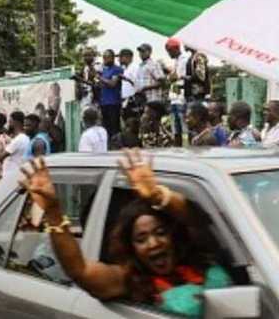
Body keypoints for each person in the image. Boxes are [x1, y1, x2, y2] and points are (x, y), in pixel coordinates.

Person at [19, 151, 232, 317]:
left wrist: (158, 196)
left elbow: (199, 219)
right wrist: (54, 211)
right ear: (132, 248)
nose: (153, 243)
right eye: (141, 239)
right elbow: (80, 270)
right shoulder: (129, 280)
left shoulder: (201, 258)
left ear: (173, 235)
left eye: (160, 232)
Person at [164, 38, 190, 145]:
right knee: (175, 127)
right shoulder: (176, 61)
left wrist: (172, 76)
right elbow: (171, 77)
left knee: (184, 126)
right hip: (174, 96)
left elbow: (177, 78)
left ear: (175, 49)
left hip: (181, 96)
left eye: (169, 51)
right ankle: (177, 147)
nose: (169, 54)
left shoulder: (184, 59)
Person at [97, 49, 125, 138]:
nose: (104, 59)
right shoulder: (104, 70)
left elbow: (113, 84)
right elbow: (101, 85)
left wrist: (100, 78)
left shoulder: (118, 69)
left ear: (113, 58)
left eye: (107, 57)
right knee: (106, 128)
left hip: (113, 102)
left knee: (114, 128)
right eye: (103, 57)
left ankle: (116, 147)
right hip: (103, 102)